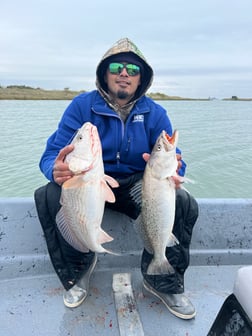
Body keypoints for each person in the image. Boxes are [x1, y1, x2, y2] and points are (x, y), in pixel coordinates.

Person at [34, 37, 199, 319]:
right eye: (117, 67)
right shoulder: (81, 107)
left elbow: (175, 159)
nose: (124, 74)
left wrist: (176, 171)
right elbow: (51, 155)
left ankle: (161, 279)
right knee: (47, 194)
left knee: (183, 202)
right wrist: (55, 169)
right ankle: (78, 271)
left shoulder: (155, 113)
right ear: (105, 72)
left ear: (141, 79)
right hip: (89, 184)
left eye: (133, 70)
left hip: (137, 185)